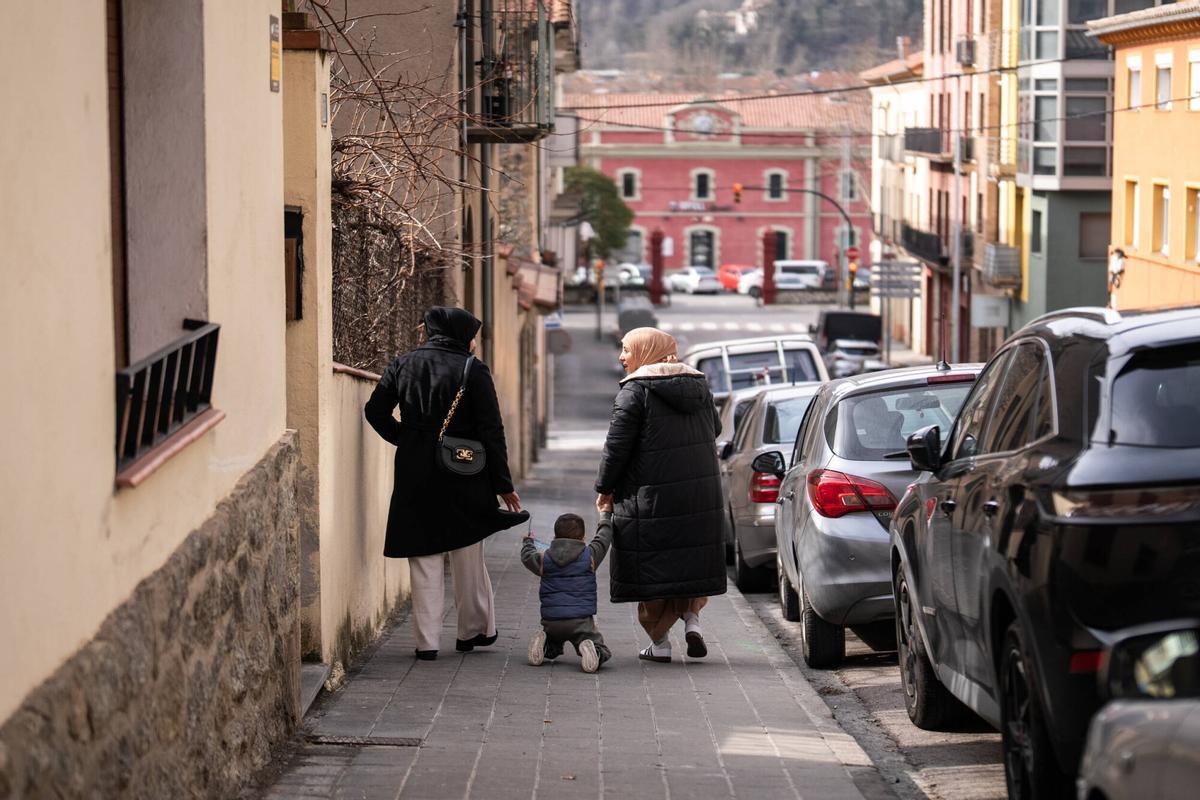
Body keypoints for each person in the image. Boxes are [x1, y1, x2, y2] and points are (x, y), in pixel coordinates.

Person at [365, 306, 528, 661]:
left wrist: (407, 440)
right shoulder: (473, 369)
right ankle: (472, 632)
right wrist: (503, 483)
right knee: (467, 549)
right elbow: (491, 431)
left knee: (423, 553)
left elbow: (374, 411)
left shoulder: (402, 364)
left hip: (414, 470)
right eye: (472, 335)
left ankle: (427, 643)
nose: (473, 342)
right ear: (459, 334)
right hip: (464, 471)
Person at [595, 327, 726, 663]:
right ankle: (692, 621)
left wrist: (604, 488)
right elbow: (715, 428)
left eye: (626, 349)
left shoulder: (635, 392)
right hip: (698, 494)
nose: (621, 357)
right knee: (687, 562)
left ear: (645, 351)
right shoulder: (698, 386)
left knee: (650, 566)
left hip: (649, 497)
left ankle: (661, 643)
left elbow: (616, 448)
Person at [519, 499, 615, 673]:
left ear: (555, 537)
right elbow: (603, 539)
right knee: (600, 647)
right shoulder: (590, 556)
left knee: (555, 646)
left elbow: (527, 557)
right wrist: (605, 514)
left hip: (551, 621)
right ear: (583, 538)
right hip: (580, 622)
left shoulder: (544, 559)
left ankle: (546, 644)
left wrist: (528, 542)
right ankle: (591, 650)